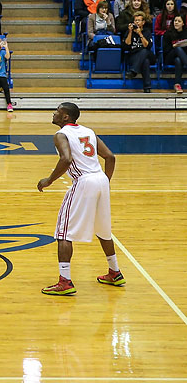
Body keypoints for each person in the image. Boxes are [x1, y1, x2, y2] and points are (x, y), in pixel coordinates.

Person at [38, 103, 124, 295]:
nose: (54, 113)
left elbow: (66, 159)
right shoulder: (89, 131)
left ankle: (65, 281)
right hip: (100, 179)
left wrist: (49, 180)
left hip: (84, 181)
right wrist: (104, 182)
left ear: (66, 117)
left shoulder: (61, 135)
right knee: (103, 230)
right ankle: (115, 272)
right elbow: (110, 157)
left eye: (57, 111)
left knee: (64, 232)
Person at [124, 11, 153, 93]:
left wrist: (140, 34)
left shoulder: (147, 32)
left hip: (147, 53)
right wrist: (130, 32)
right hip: (134, 56)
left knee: (144, 51)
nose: (137, 22)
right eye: (135, 20)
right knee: (145, 62)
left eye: (139, 20)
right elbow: (127, 45)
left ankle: (133, 71)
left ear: (143, 22)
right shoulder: (130, 31)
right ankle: (147, 87)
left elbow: (147, 46)